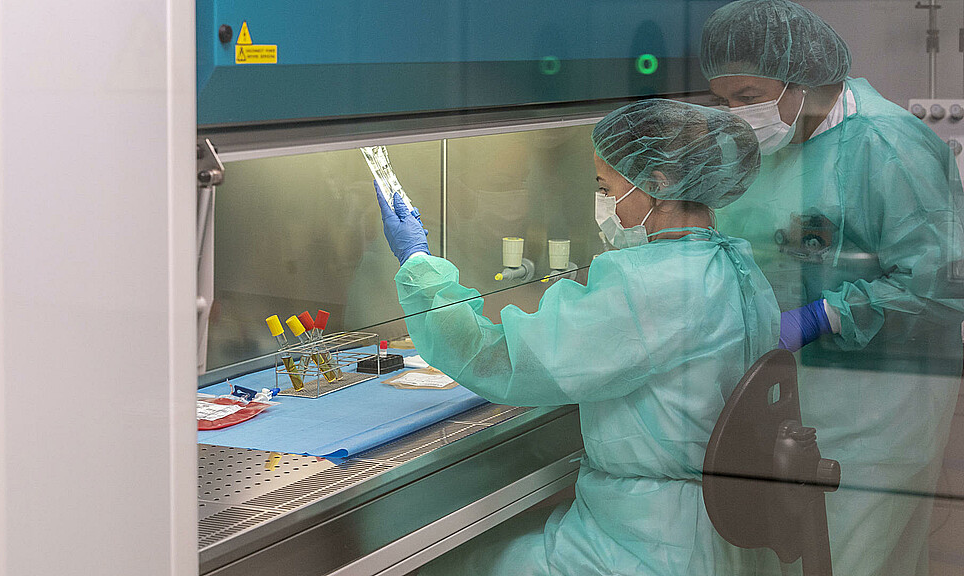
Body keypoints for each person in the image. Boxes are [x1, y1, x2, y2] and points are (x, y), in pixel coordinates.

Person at [376, 99, 780, 575]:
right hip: (714, 534)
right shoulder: (732, 262)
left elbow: (497, 360)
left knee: (454, 563)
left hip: (646, 544)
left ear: (657, 185)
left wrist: (418, 267)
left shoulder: (649, 284)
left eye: (606, 188)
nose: (601, 203)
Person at [700, 1, 964, 574]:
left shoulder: (886, 145)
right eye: (723, 101)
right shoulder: (773, 145)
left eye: (747, 97)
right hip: (796, 393)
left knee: (855, 555)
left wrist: (820, 317)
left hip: (881, 400)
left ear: (804, 78)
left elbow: (941, 286)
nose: (736, 115)